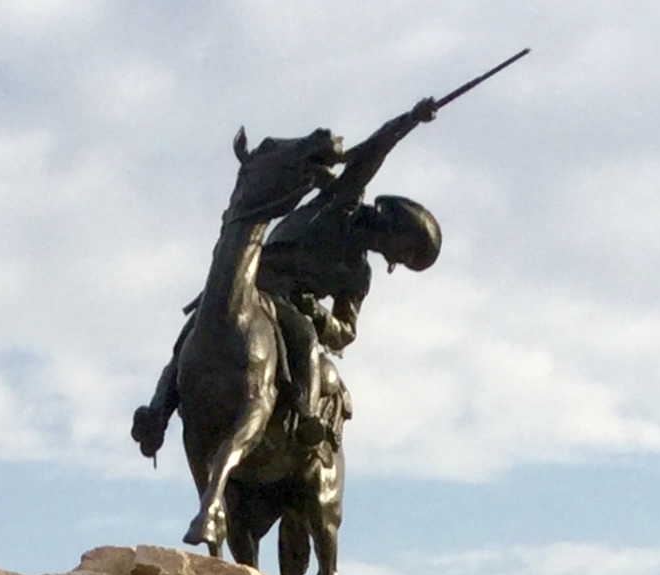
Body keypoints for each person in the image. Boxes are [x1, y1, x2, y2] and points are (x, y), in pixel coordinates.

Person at [131, 96, 442, 459]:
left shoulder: (358, 274)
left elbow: (345, 331)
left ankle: (307, 418)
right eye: (406, 252)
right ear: (399, 227)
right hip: (253, 277)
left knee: (306, 340)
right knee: (194, 332)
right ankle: (158, 414)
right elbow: (372, 152)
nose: (398, 261)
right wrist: (410, 120)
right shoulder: (343, 202)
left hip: (288, 306)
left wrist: (321, 315)